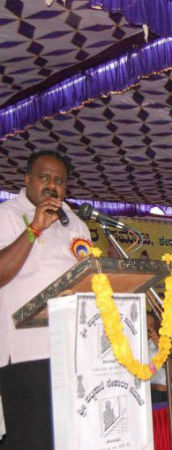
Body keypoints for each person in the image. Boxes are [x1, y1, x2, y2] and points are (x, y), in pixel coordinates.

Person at [0, 150, 91, 449]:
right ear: (27, 179)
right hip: (26, 354)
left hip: (73, 353)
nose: (52, 185)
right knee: (34, 442)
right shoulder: (6, 216)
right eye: (44, 178)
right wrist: (34, 228)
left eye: (59, 181)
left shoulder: (76, 224)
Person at [148, 312, 172, 403]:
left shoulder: (157, 345)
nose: (151, 329)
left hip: (171, 388)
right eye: (148, 325)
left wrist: (161, 349)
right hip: (156, 392)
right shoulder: (138, 350)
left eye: (152, 325)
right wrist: (160, 387)